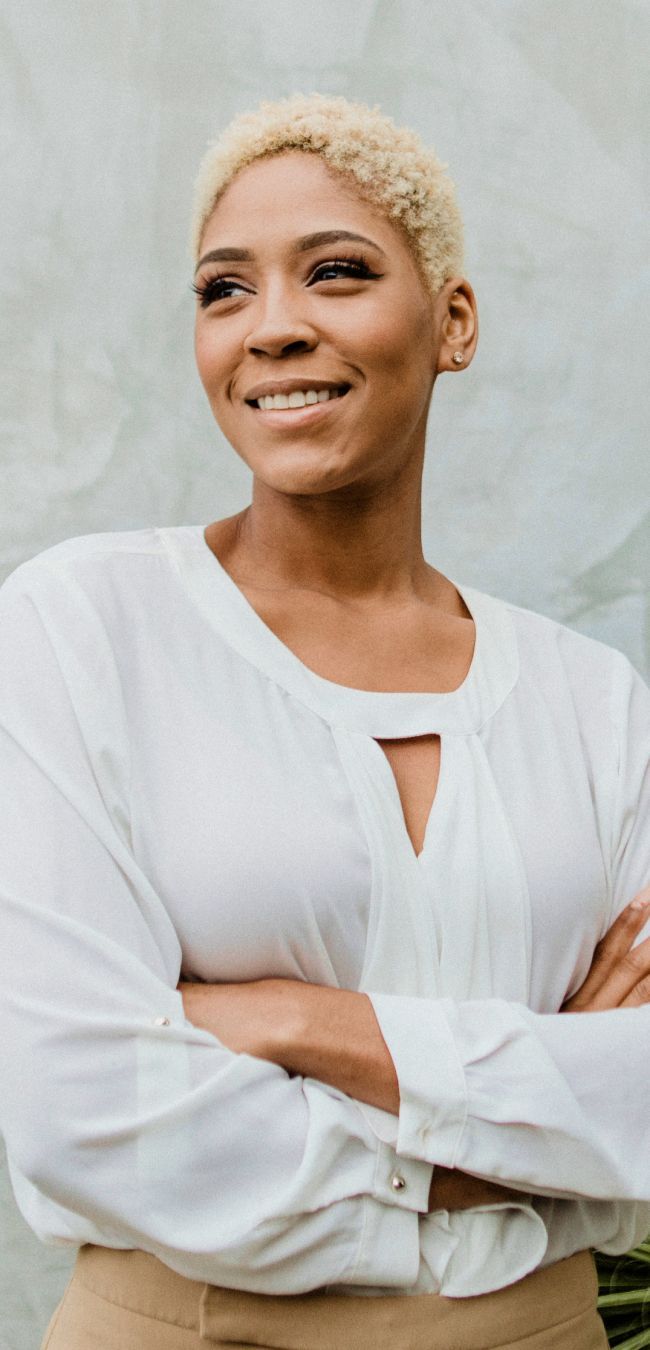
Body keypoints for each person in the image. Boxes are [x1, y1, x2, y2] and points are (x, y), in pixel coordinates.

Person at [0, 93, 648, 1350]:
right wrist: (521, 1149)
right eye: (223, 291)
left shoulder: (592, 701)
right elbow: (81, 1104)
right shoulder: (80, 627)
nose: (273, 328)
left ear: (450, 322)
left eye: (336, 273)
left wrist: (299, 1022)